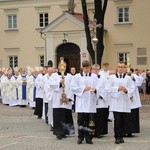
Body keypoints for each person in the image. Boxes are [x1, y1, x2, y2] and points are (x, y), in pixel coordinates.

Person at [106, 62, 135, 144]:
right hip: (116, 102)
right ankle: (117, 137)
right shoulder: (112, 77)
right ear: (117, 68)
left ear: (125, 68)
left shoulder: (128, 78)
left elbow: (132, 88)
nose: (121, 68)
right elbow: (107, 88)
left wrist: (126, 90)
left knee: (123, 121)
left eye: (122, 67)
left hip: (124, 102)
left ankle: (121, 136)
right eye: (119, 67)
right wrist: (117, 88)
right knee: (117, 120)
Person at [70, 60, 98, 144]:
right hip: (81, 102)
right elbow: (73, 87)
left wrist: (95, 90)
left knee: (90, 121)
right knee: (81, 121)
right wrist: (83, 88)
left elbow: (99, 86)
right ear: (82, 68)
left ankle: (89, 138)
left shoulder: (94, 76)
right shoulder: (77, 76)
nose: (87, 69)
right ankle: (80, 137)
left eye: (88, 68)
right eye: (85, 68)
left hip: (90, 102)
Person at [49, 59, 75, 140]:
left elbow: (72, 87)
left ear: (66, 67)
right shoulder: (54, 76)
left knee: (66, 115)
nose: (62, 68)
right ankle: (58, 132)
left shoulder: (70, 76)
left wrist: (69, 97)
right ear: (58, 67)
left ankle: (65, 131)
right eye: (61, 66)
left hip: (66, 100)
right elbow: (51, 85)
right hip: (57, 100)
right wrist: (60, 83)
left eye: (64, 66)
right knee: (58, 116)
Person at [91, 64, 109, 138]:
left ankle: (100, 132)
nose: (96, 70)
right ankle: (92, 131)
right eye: (94, 69)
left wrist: (101, 95)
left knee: (101, 117)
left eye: (97, 69)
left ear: (99, 70)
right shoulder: (90, 77)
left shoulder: (103, 78)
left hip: (101, 100)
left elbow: (107, 87)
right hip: (92, 100)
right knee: (92, 117)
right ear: (91, 69)